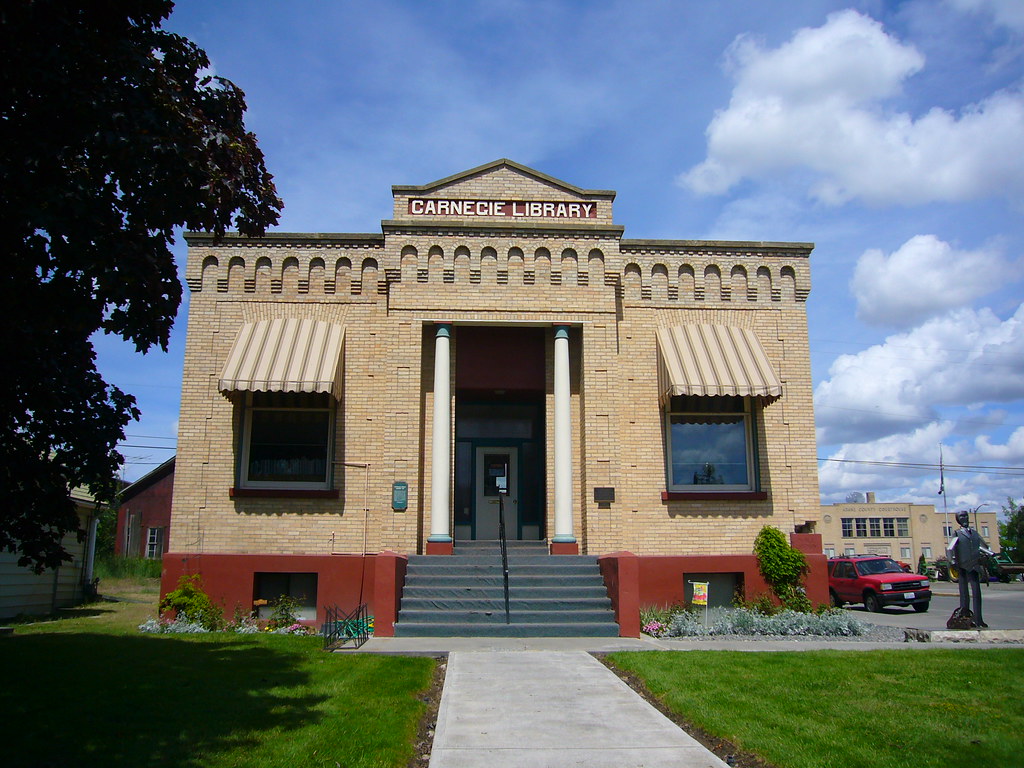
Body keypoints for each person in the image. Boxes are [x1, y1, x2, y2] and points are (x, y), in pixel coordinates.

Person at [947, 509, 994, 628]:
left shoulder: (974, 533)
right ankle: (964, 618)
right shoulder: (957, 533)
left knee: (977, 593)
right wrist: (952, 560)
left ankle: (979, 619)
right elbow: (950, 548)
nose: (965, 518)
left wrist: (990, 553)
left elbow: (981, 546)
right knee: (964, 594)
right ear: (958, 520)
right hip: (962, 566)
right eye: (962, 517)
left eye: (966, 516)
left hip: (974, 565)